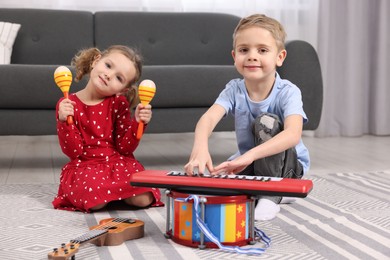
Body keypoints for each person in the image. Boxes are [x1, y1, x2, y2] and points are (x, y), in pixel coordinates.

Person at [184, 14, 309, 221]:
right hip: (252, 162)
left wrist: (249, 155)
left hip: (291, 169)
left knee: (266, 121)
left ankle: (270, 195)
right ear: (234, 56)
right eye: (244, 50)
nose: (251, 56)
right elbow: (208, 119)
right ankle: (263, 187)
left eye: (262, 50)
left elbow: (293, 134)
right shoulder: (234, 89)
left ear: (280, 57)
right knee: (220, 176)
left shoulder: (289, 91)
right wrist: (200, 147)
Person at [52, 45, 163, 212]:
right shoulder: (67, 104)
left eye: (119, 78)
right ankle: (113, 195)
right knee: (94, 199)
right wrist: (64, 121)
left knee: (144, 198)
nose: (109, 75)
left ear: (123, 89)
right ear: (96, 60)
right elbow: (73, 151)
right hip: (84, 167)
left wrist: (138, 122)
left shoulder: (119, 103)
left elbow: (125, 148)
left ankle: (110, 194)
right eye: (108, 66)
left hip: (116, 164)